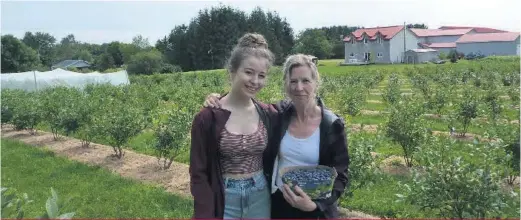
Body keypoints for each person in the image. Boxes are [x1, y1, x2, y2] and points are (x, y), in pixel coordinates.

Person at [203, 54, 350, 219]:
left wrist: (315, 205)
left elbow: (340, 174)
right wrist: (219, 99)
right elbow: (246, 104)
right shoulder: (278, 115)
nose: (299, 87)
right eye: (293, 81)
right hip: (280, 206)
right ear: (286, 85)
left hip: (314, 211)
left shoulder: (331, 125)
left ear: (316, 83)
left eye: (306, 81)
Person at [189, 33, 279, 219]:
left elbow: (297, 108)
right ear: (232, 71)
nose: (255, 81)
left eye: (261, 75)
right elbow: (198, 172)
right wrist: (205, 211)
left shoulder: (268, 114)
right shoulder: (208, 117)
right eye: (248, 72)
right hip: (224, 197)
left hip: (260, 196)